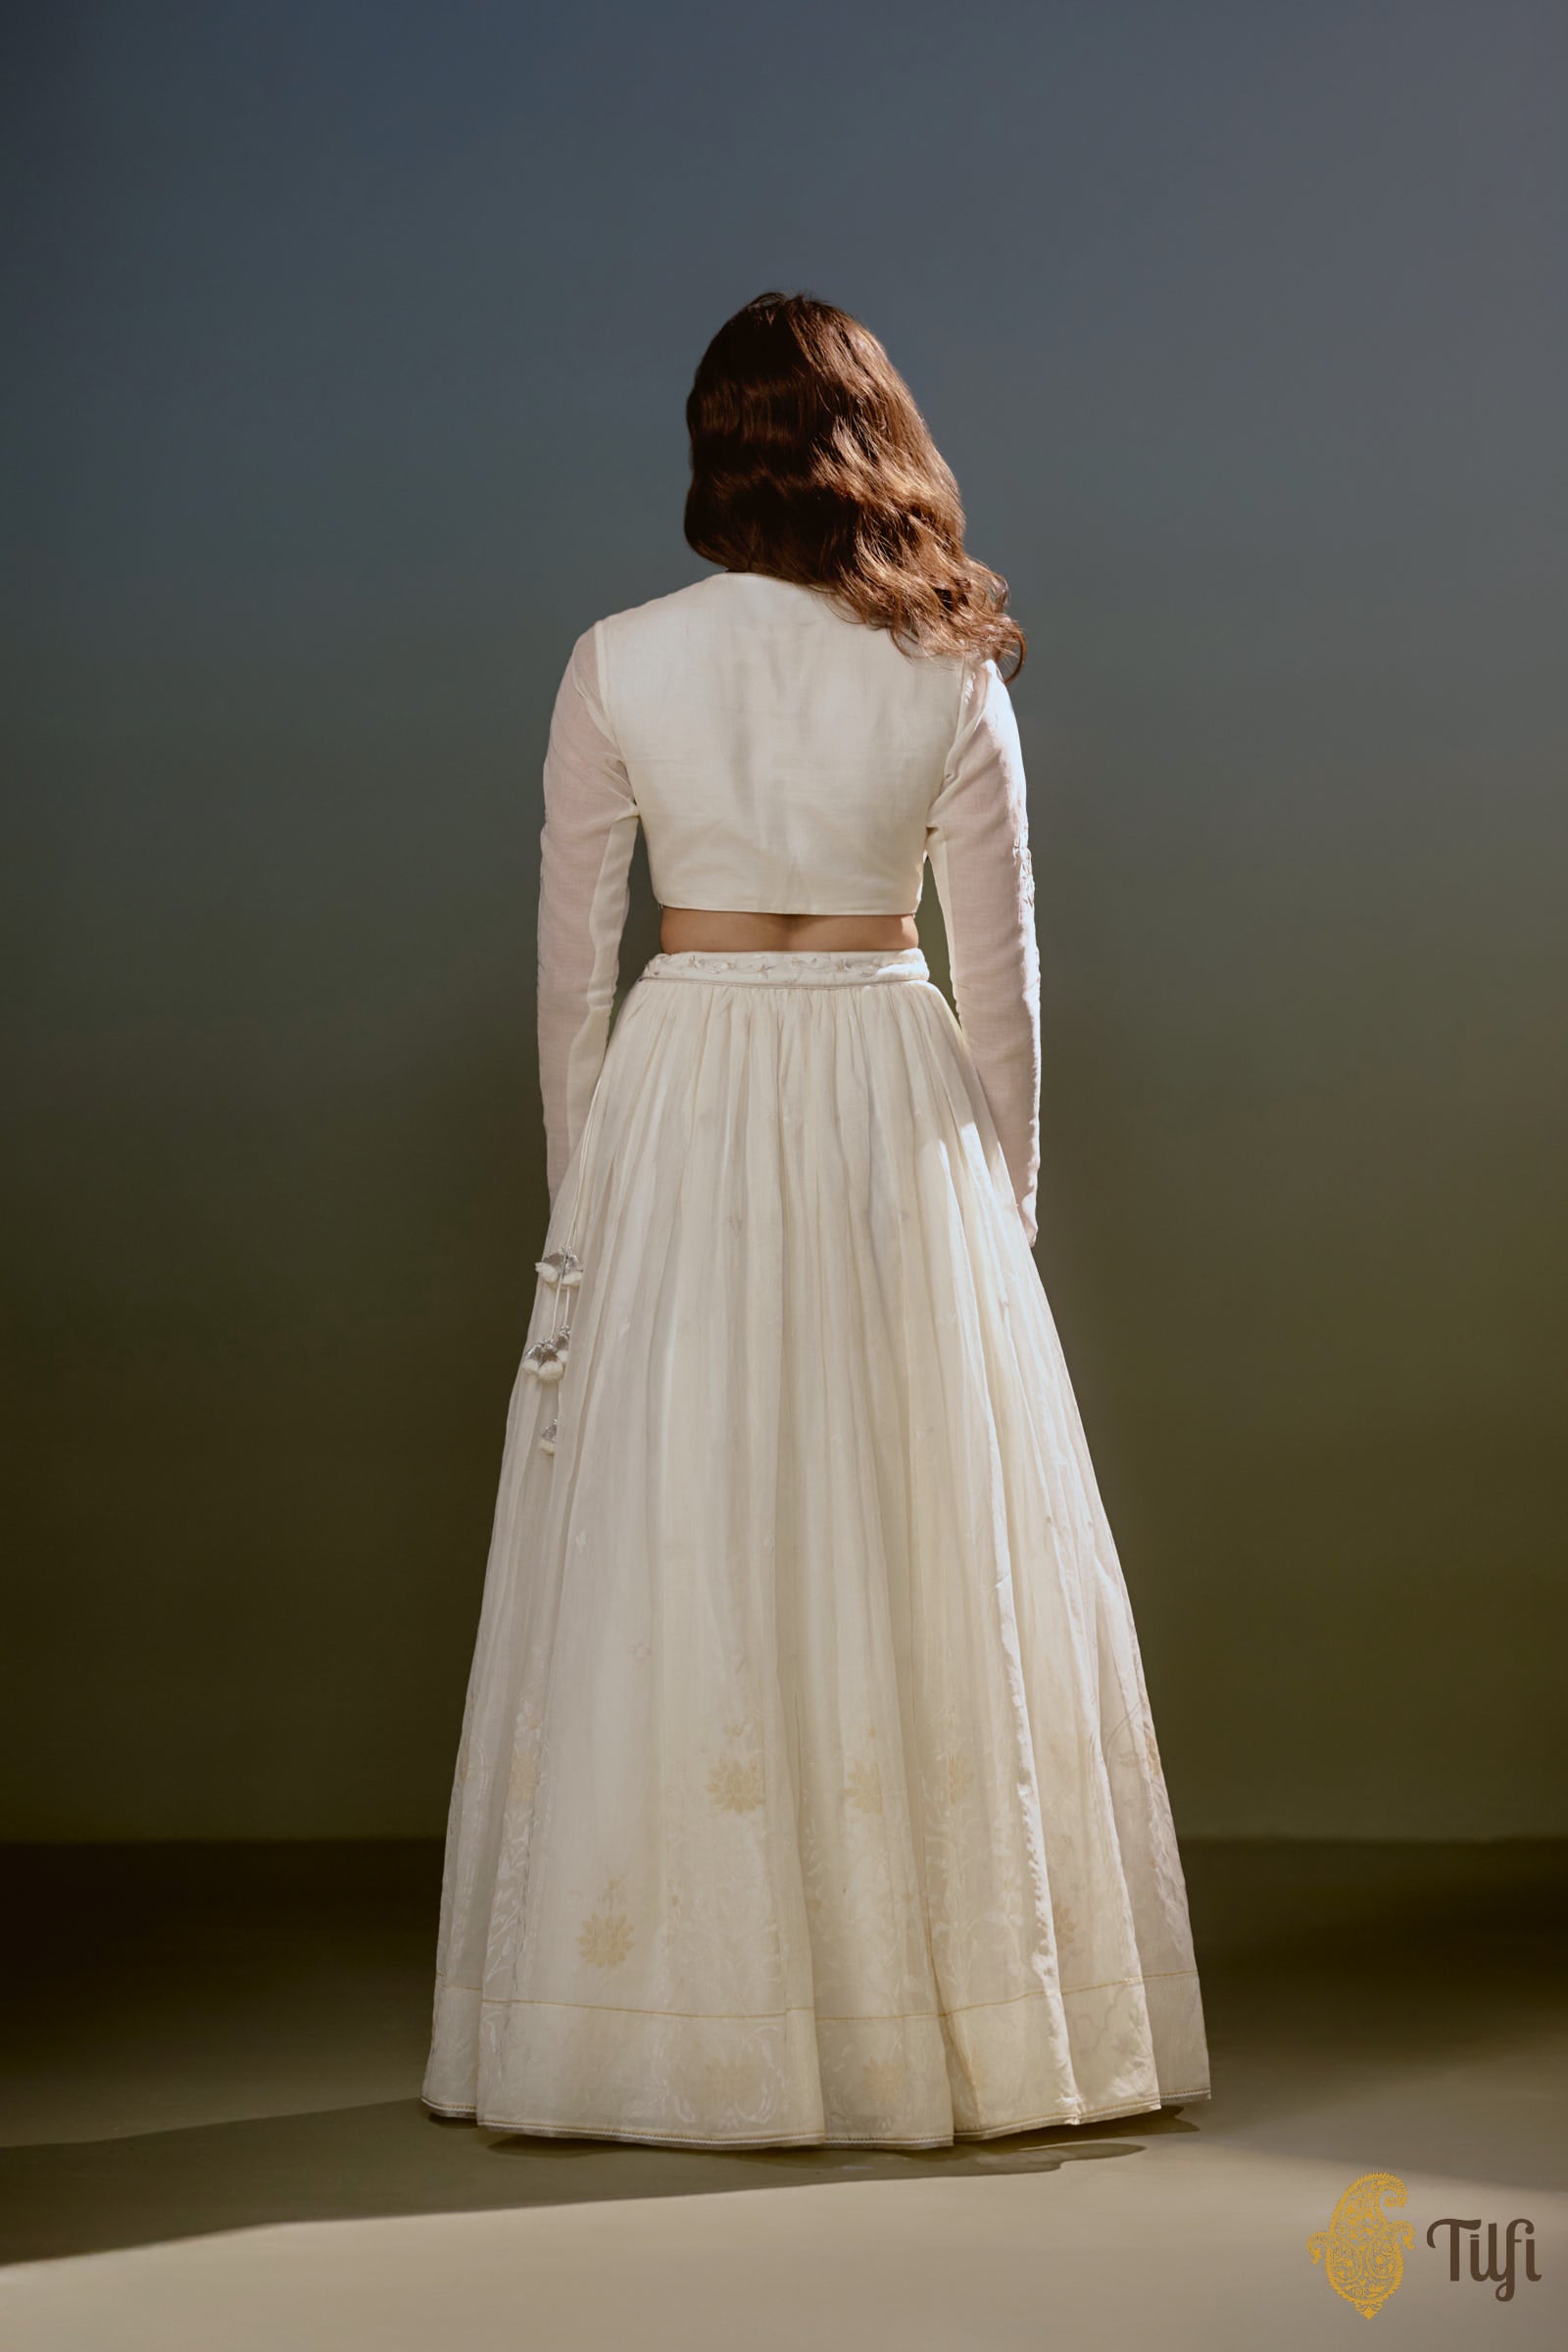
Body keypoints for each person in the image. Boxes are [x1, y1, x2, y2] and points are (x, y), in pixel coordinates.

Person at [422, 291, 1210, 2149]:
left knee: (679, 1520)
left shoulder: (620, 660)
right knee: (905, 1529)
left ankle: (655, 2025)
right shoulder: (950, 672)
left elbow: (570, 973)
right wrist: (1003, 1224)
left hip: (683, 1088)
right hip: (883, 1079)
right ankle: (945, 2018)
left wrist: (583, 1211)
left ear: (715, 451)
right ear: (880, 444)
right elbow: (1004, 987)